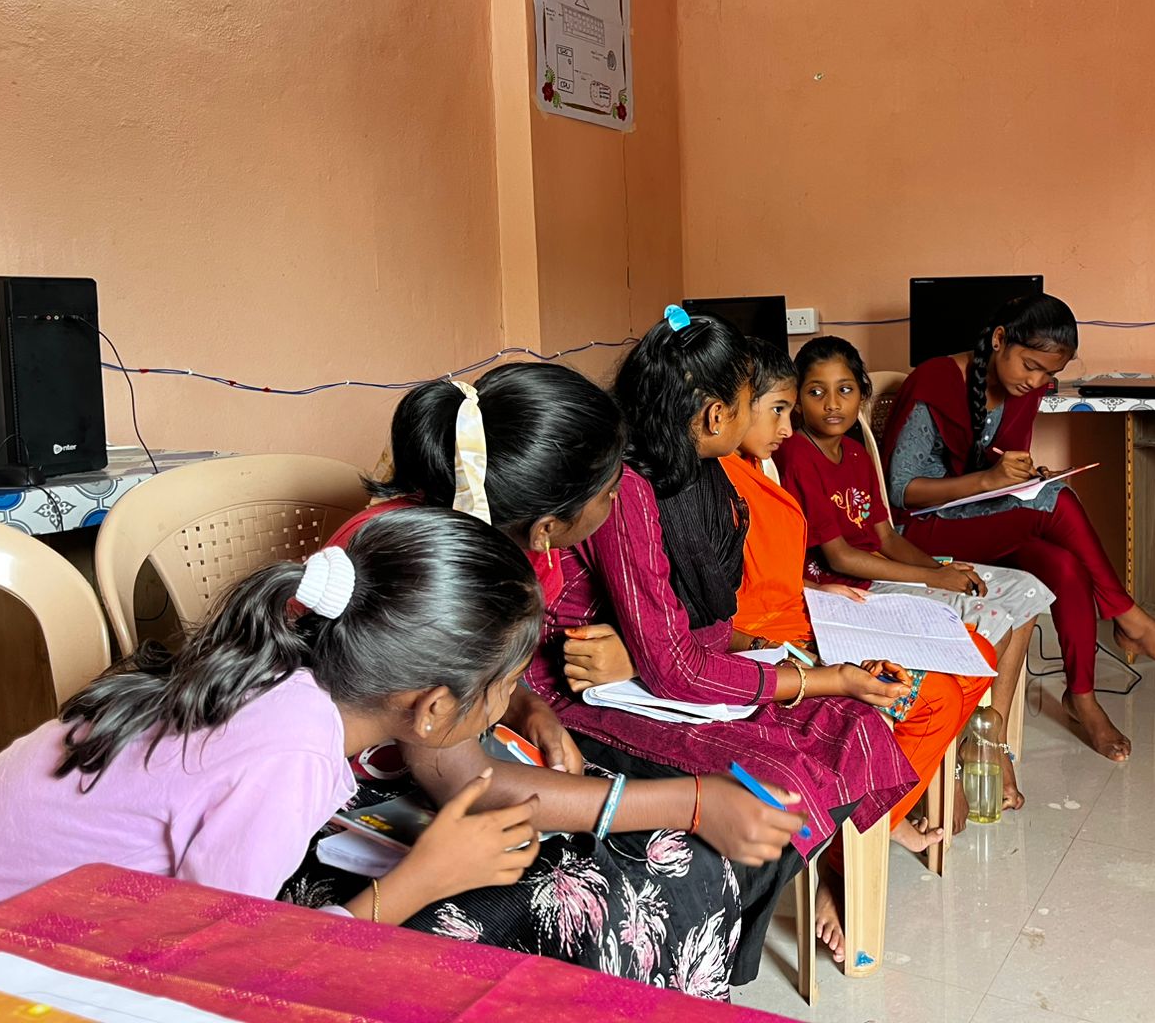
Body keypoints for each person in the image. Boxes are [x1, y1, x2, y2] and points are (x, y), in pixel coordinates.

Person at [286, 364, 808, 997]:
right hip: (340, 808)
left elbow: (465, 691)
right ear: (547, 529)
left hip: (437, 752)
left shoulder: (486, 537)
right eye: (609, 493)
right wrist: (693, 801)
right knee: (596, 899)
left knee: (676, 859)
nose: (617, 506)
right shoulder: (430, 578)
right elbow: (467, 782)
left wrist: (526, 706)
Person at [0, 508, 545, 929]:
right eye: (508, 684)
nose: (511, 700)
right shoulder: (289, 753)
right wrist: (425, 878)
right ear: (433, 708)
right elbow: (222, 952)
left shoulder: (274, 665)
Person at [529, 308, 916, 963]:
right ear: (715, 417)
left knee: (854, 723)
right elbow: (675, 668)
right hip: (581, 691)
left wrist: (784, 665)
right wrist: (823, 677)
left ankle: (826, 879)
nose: (774, 423)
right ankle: (745, 935)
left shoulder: (698, 477)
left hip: (647, 669)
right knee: (784, 774)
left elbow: (695, 630)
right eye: (752, 404)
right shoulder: (626, 490)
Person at [881, 293, 1155, 763]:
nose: (1037, 382)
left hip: (978, 520)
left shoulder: (1024, 390)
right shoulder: (935, 380)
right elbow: (900, 492)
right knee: (1057, 503)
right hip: (920, 531)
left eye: (1049, 374)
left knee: (1064, 565)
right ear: (999, 339)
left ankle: (1082, 697)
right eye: (1031, 366)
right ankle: (1130, 619)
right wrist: (988, 481)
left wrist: (1022, 478)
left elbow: (998, 465)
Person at [772, 336, 1052, 811]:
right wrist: (932, 580)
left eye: (844, 390)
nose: (832, 403)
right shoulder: (798, 454)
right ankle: (959, 752)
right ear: (797, 400)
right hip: (851, 589)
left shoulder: (856, 454)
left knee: (1023, 592)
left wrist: (939, 567)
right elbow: (840, 558)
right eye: (816, 392)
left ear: (861, 394)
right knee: (989, 619)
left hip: (885, 569)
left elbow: (885, 537)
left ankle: (991, 736)